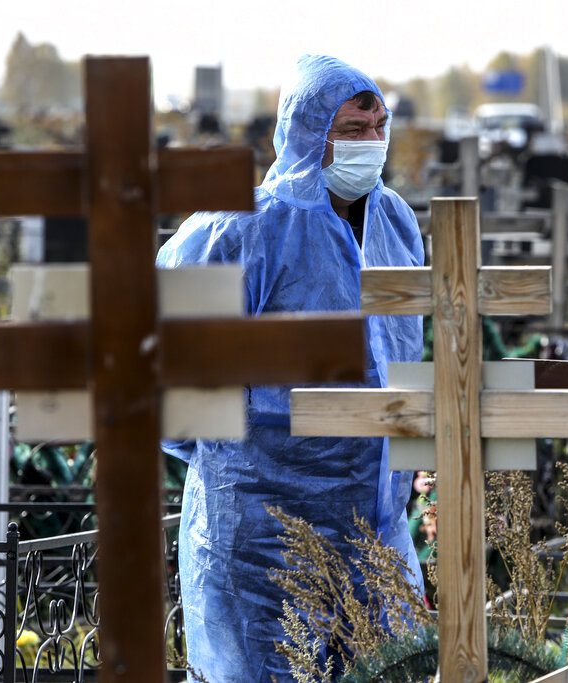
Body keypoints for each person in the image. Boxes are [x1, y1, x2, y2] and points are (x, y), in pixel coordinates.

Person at [156, 54, 425, 682]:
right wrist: (245, 460)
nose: (372, 143)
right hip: (264, 532)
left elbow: (404, 353)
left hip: (375, 528)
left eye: (380, 126)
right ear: (307, 131)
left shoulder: (396, 223)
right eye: (353, 129)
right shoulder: (242, 228)